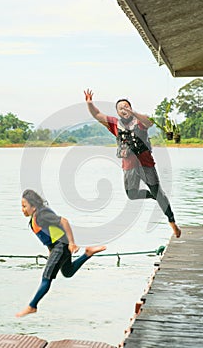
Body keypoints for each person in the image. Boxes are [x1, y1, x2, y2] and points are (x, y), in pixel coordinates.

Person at [84, 89, 181, 238]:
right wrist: (90, 103)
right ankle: (153, 196)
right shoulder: (115, 124)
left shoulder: (140, 122)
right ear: (117, 112)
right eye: (120, 108)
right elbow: (97, 115)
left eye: (126, 106)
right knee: (131, 194)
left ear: (131, 107)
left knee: (159, 192)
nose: (124, 109)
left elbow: (149, 122)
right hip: (129, 166)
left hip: (146, 164)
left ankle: (172, 223)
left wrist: (134, 113)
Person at [16, 189, 106, 317]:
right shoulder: (33, 221)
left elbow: (63, 221)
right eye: (22, 206)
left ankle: (32, 306)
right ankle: (87, 253)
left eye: (25, 206)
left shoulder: (42, 214)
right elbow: (48, 238)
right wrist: (50, 254)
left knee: (46, 277)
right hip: (58, 248)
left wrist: (71, 243)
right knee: (68, 272)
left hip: (62, 246)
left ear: (34, 207)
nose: (23, 209)